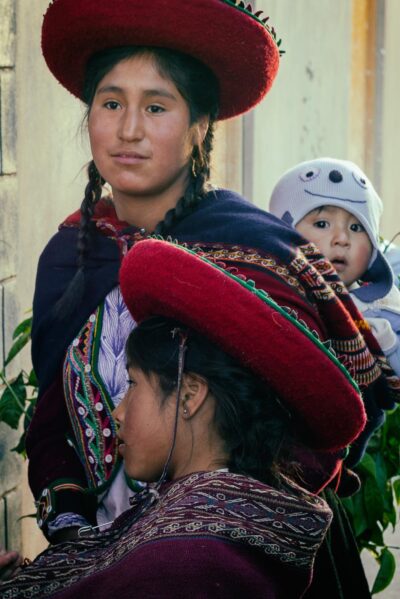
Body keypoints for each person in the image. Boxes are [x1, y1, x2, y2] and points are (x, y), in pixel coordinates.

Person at [27, 0, 396, 550]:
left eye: (157, 107)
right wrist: (74, 527)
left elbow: (336, 410)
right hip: (100, 559)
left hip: (238, 557)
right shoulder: (70, 256)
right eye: (110, 103)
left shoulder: (257, 250)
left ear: (200, 126)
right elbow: (53, 419)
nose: (128, 130)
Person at [0, 239, 366, 598]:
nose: (118, 411)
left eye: (132, 384)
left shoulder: (185, 566)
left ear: (190, 394)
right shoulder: (215, 520)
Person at [269, 157, 400, 377]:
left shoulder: (382, 308)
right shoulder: (273, 293)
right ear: (285, 233)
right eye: (322, 224)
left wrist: (387, 342)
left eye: (357, 227)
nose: (342, 238)